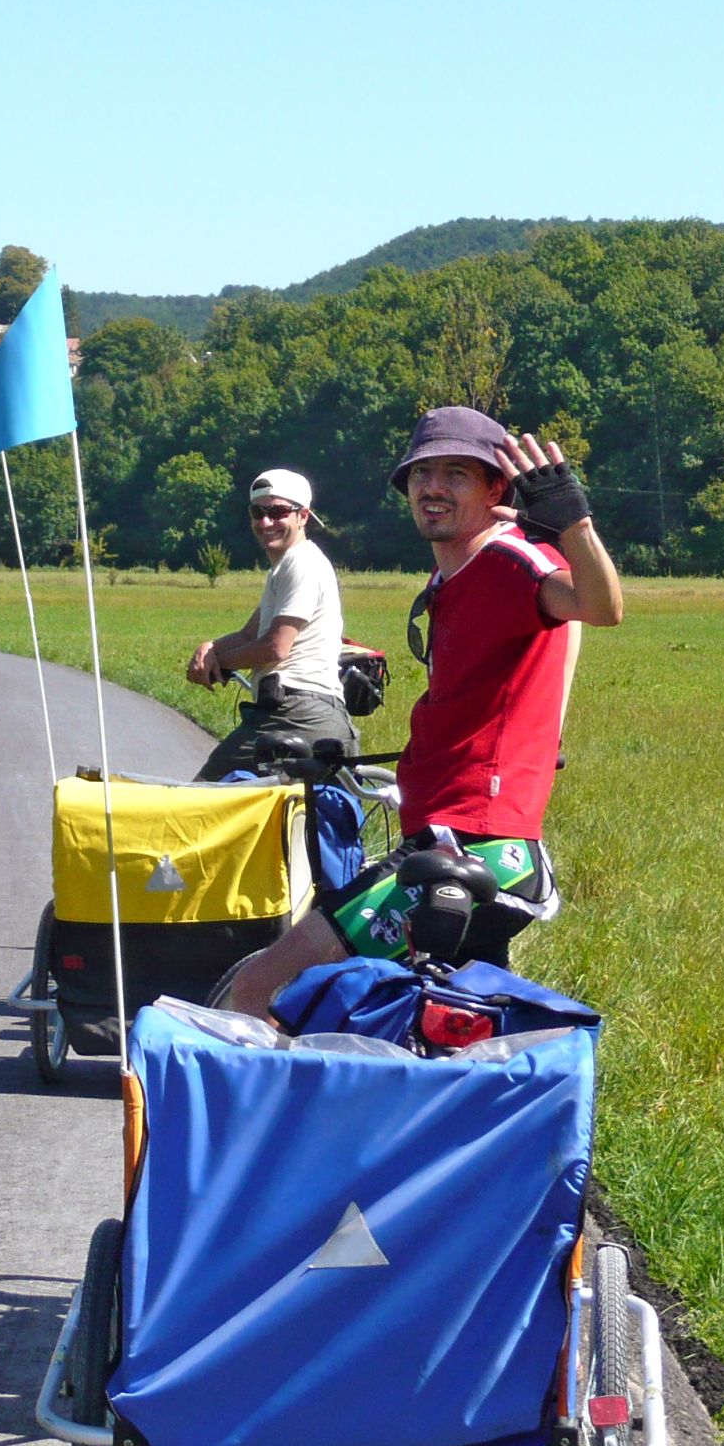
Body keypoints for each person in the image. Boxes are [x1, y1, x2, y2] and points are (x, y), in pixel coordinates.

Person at [219, 407, 623, 1016]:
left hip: (466, 841)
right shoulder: (453, 579)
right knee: (431, 1028)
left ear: (497, 489)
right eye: (420, 473)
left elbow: (599, 607)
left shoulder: (512, 562)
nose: (432, 487)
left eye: (457, 473)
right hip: (451, 831)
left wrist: (574, 524)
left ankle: (242, 1110)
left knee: (260, 988)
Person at [186, 468, 352, 782]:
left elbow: (275, 647)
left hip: (294, 713)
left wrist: (218, 662)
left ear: (303, 516)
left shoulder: (300, 563)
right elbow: (250, 633)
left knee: (200, 802)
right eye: (258, 512)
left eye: (277, 512)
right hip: (299, 711)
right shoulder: (286, 566)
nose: (265, 522)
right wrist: (209, 647)